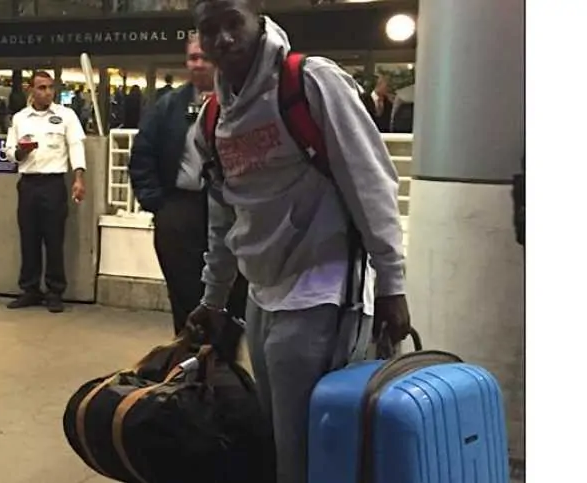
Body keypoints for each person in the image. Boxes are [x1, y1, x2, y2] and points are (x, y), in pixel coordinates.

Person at [186, 1, 411, 483]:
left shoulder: (311, 82)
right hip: (262, 294)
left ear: (258, 19)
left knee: (308, 450)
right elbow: (223, 217)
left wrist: (392, 283)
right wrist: (213, 297)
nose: (223, 38)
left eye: (234, 22)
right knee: (282, 442)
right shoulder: (213, 117)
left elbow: (370, 182)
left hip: (324, 289)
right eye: (209, 29)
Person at [129, 35, 249, 336]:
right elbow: (143, 154)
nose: (198, 64)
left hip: (232, 211)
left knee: (233, 294)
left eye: (204, 57)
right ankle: (188, 356)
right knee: (184, 294)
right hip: (180, 210)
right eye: (193, 57)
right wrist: (157, 204)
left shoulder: (241, 102)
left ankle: (222, 357)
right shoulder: (168, 106)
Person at [4, 71, 88, 313]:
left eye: (50, 87)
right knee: (28, 239)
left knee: (54, 239)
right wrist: (20, 152)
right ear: (31, 89)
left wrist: (79, 179)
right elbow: (10, 152)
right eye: (41, 88)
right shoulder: (20, 118)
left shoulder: (66, 116)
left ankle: (54, 292)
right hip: (28, 184)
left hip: (54, 184)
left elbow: (76, 146)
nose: (47, 92)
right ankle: (30, 289)